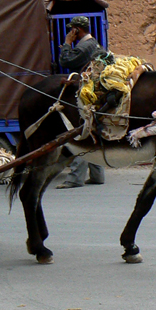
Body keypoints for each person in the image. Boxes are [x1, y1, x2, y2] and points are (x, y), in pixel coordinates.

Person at [55, 15, 105, 189]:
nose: (70, 32)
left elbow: (66, 61)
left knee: (81, 134)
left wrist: (67, 44)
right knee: (91, 133)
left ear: (77, 29)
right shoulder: (94, 44)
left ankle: (75, 178)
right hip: (93, 95)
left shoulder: (85, 46)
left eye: (72, 29)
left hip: (86, 96)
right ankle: (97, 175)